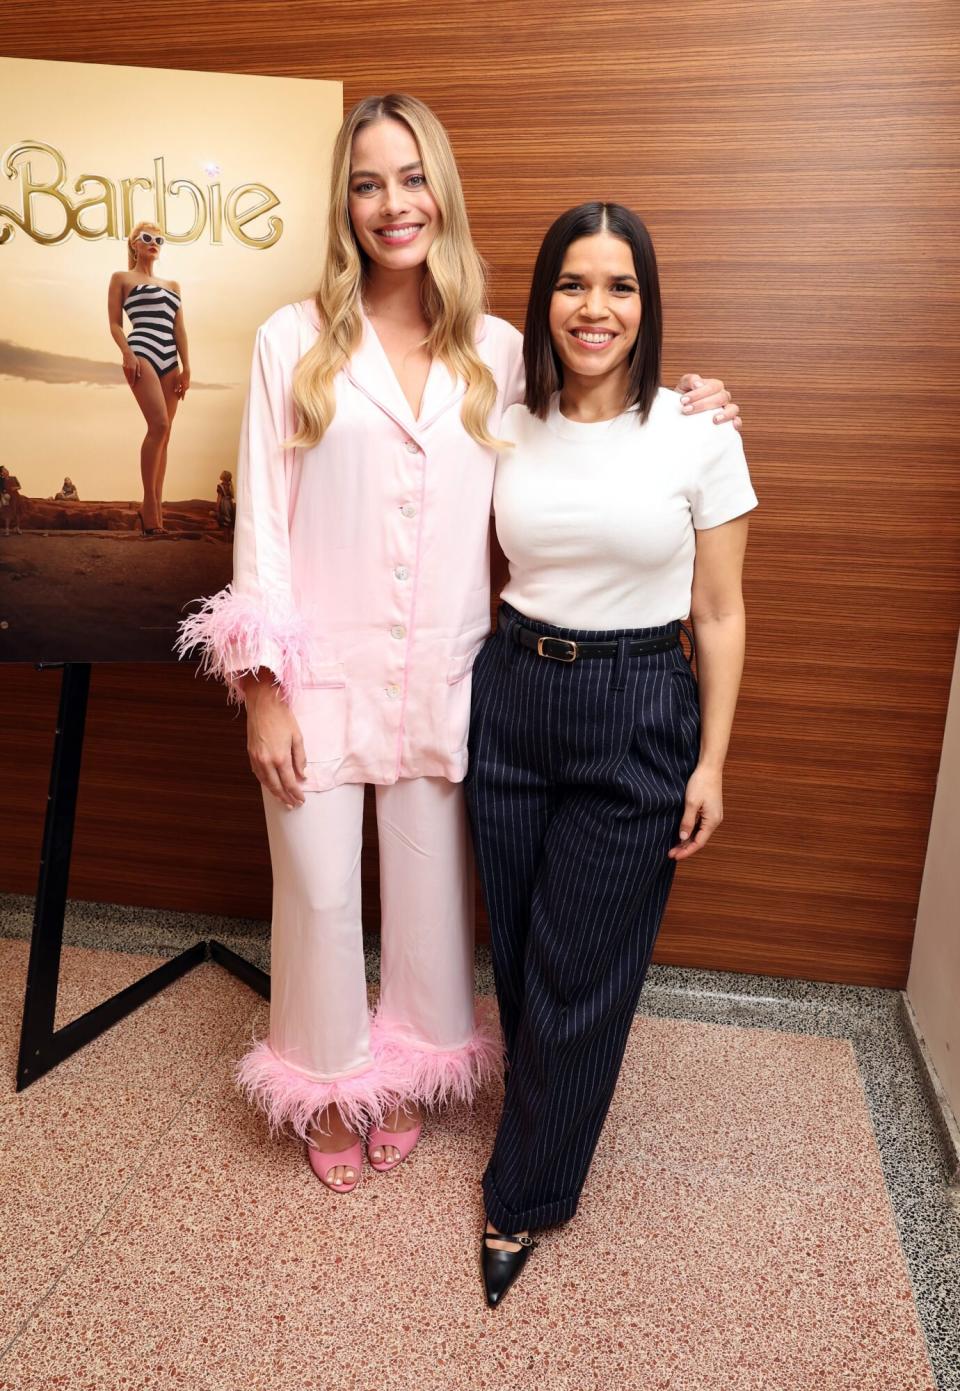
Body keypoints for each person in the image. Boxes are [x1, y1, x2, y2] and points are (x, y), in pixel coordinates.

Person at [178, 95, 739, 1197]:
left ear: (444, 192)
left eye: (412, 177)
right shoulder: (293, 339)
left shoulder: (500, 352)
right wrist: (261, 690)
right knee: (323, 898)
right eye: (368, 182)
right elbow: (262, 531)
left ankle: (414, 1068)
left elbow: (600, 404)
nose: (394, 204)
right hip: (316, 673)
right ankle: (331, 1083)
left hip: (449, 676)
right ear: (345, 203)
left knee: (435, 905)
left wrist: (696, 400)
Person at [465, 202, 757, 1308]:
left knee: (582, 968)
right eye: (575, 284)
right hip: (513, 691)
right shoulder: (502, 413)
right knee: (527, 943)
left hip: (638, 699)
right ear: (544, 299)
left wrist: (712, 762)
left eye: (620, 286)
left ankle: (525, 1193)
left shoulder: (700, 432)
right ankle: (548, 1109)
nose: (596, 308)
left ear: (649, 303)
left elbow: (722, 613)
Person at [108, 223, 191, 535]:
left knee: (165, 435)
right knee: (159, 425)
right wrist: (127, 353)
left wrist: (187, 367)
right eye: (147, 238)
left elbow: (179, 329)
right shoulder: (121, 278)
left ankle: (156, 505)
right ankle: (149, 504)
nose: (153, 243)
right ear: (134, 244)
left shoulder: (172, 284)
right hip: (141, 349)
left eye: (159, 239)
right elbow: (115, 324)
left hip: (170, 358)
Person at [0, 466, 23, 535]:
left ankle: (17, 527)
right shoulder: (1, 480)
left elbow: (20, 486)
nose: (6, 470)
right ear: (1, 473)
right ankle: (7, 529)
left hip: (16, 496)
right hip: (8, 497)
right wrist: (3, 498)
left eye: (6, 469)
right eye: (4, 470)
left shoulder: (14, 478)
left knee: (18, 512)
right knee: (7, 513)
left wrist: (15, 488)